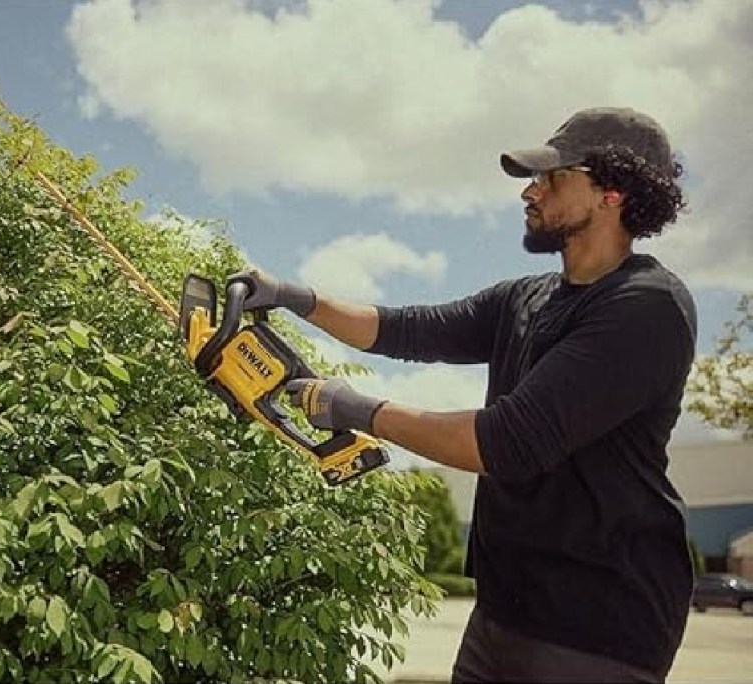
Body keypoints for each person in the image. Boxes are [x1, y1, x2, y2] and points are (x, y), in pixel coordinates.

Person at [230, 107, 697, 683]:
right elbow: (407, 327)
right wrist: (295, 297)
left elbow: (505, 442)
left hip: (597, 625)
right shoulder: (526, 298)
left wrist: (355, 409)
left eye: (552, 177)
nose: (530, 191)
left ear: (613, 192)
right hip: (506, 610)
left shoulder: (644, 308)